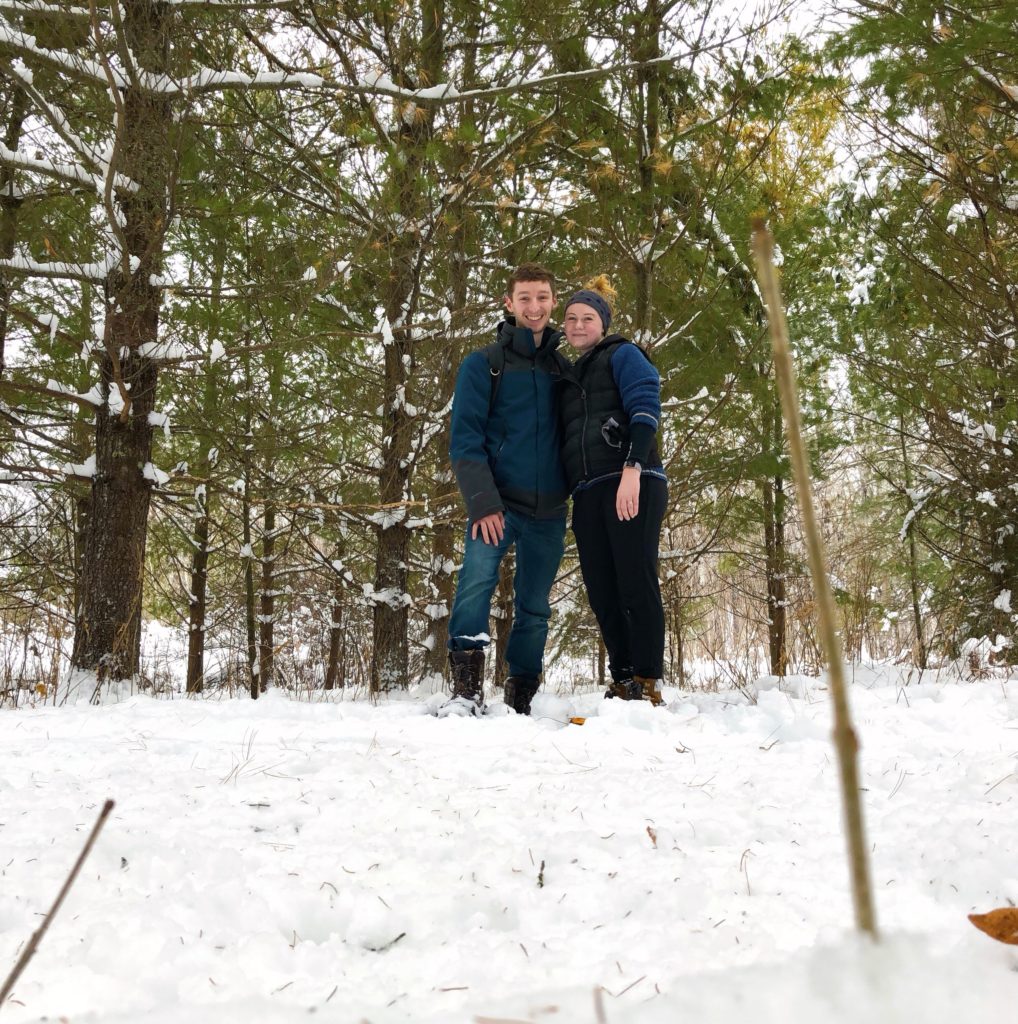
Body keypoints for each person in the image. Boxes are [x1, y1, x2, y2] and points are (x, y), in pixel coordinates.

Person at [441, 263, 569, 717]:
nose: (534, 307)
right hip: (497, 504)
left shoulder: (562, 367)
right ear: (508, 303)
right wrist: (483, 503)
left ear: (553, 302)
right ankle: (466, 691)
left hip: (550, 510)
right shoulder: (484, 365)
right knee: (475, 586)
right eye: (525, 298)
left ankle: (522, 694)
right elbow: (465, 440)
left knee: (535, 607)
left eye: (542, 297)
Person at [558, 276, 668, 705]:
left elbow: (645, 406)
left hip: (632, 480)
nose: (578, 325)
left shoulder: (623, 354)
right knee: (601, 586)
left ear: (602, 324)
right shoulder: (568, 377)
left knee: (634, 579)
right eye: (571, 319)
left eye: (588, 318)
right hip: (588, 490)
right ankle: (622, 677)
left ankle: (646, 678)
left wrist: (633, 467)